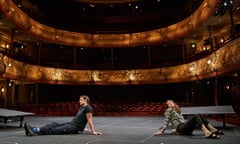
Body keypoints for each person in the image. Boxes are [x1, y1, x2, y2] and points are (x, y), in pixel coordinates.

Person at [24, 95, 102, 136]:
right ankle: (34, 130)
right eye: (79, 99)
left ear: (86, 100)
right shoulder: (82, 107)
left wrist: (93, 131)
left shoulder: (88, 108)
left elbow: (89, 120)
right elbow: (81, 119)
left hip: (74, 128)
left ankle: (35, 130)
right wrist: (82, 128)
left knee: (56, 130)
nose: (79, 101)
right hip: (71, 123)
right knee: (53, 124)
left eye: (81, 99)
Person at [155, 100, 223, 139]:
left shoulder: (177, 110)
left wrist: (176, 128)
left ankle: (213, 129)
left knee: (199, 115)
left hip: (184, 128)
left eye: (171, 102)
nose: (170, 104)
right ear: (168, 106)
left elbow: (181, 120)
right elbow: (166, 121)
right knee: (196, 115)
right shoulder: (168, 110)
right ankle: (207, 132)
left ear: (174, 103)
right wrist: (162, 131)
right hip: (180, 128)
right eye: (168, 104)